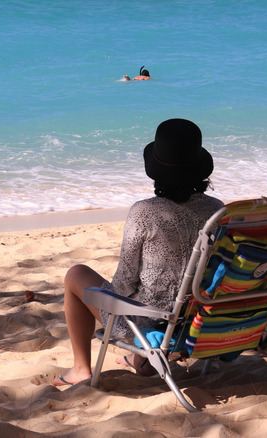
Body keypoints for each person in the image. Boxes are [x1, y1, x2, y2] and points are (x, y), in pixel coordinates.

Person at [52, 118, 225, 386]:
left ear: (156, 169)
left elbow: (123, 285)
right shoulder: (217, 209)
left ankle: (80, 369)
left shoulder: (144, 212)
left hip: (148, 326)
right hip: (194, 323)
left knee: (77, 274)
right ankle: (140, 360)